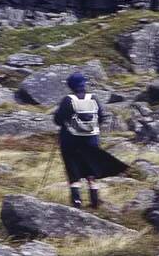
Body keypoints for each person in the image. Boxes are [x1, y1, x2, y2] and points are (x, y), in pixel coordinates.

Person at [52, 71, 128, 208]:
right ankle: (95, 201)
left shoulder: (67, 100)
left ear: (71, 85)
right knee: (91, 169)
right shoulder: (93, 98)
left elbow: (57, 120)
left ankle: (77, 201)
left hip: (70, 140)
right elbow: (101, 117)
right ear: (83, 84)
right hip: (91, 140)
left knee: (73, 168)